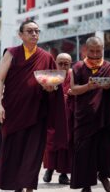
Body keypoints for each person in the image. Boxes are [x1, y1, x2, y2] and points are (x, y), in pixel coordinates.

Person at [0, 19, 67, 192]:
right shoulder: (11, 53)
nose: (34, 34)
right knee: (15, 151)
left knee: (33, 154)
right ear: (20, 35)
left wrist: (51, 88)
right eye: (30, 31)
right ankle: (17, 186)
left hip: (36, 113)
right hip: (13, 111)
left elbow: (53, 84)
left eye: (37, 31)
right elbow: (0, 79)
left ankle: (29, 188)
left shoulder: (46, 56)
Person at [70, 36, 110, 192]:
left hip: (105, 116)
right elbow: (73, 89)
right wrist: (89, 86)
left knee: (106, 149)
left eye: (98, 51)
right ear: (86, 50)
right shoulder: (78, 67)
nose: (94, 54)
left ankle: (104, 176)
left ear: (102, 50)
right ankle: (86, 184)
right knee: (84, 152)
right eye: (91, 51)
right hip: (85, 116)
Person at [43, 53, 73, 185]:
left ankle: (63, 174)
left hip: (69, 117)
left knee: (66, 144)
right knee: (51, 143)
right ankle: (49, 169)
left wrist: (72, 94)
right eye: (60, 63)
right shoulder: (51, 77)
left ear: (70, 64)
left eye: (66, 63)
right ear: (55, 63)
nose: (63, 66)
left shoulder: (74, 76)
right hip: (53, 117)